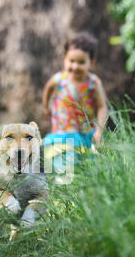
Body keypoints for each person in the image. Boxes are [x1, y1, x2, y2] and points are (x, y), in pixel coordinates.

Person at [42, 32, 109, 171]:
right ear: (64, 59)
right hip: (63, 132)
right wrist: (46, 107)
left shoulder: (93, 83)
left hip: (86, 131)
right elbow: (48, 88)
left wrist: (99, 130)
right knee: (65, 163)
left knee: (89, 164)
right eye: (71, 61)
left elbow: (102, 106)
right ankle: (65, 182)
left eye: (81, 62)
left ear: (92, 62)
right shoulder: (59, 79)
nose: (75, 66)